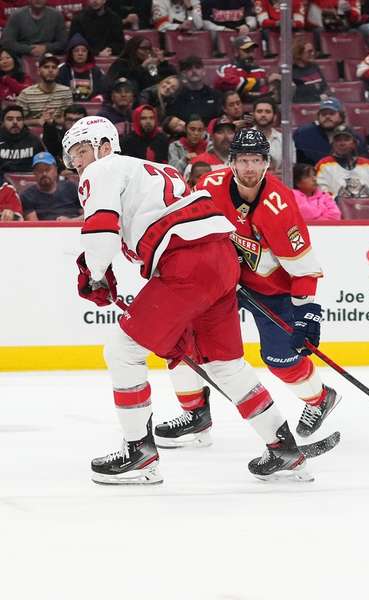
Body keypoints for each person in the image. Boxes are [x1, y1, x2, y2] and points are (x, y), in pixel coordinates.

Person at [65, 116, 315, 484]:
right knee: (224, 365)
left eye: (82, 152)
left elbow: (101, 232)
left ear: (104, 145)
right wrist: (103, 267)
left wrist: (96, 272)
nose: (79, 165)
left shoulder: (101, 170)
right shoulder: (157, 168)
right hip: (221, 258)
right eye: (74, 159)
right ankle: (285, 450)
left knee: (122, 351)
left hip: (187, 263)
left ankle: (139, 454)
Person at [154, 127, 341, 449]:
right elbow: (191, 228)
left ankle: (320, 398)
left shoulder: (280, 206)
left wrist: (307, 313)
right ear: (231, 162)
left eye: (256, 160)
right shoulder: (210, 186)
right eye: (243, 160)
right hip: (226, 283)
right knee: (182, 337)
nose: (249, 168)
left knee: (281, 359)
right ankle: (195, 412)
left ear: (267, 163)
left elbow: (303, 266)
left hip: (273, 291)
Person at [316, 125, 369, 200]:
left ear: (354, 143)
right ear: (332, 144)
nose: (342, 143)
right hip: (336, 208)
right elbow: (321, 192)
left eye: (346, 140)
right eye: (338, 140)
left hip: (368, 208)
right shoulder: (323, 165)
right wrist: (340, 200)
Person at [293, 97, 369, 167]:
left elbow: (365, 165)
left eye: (332, 113)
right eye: (323, 114)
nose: (327, 117)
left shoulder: (354, 137)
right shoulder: (303, 135)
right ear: (318, 116)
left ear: (341, 116)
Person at [20, 150, 82, 220]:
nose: (44, 174)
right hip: (45, 229)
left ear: (56, 170)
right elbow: (34, 225)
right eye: (39, 170)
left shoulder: (71, 187)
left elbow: (86, 215)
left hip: (74, 227)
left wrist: (70, 221)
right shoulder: (27, 195)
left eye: (47, 169)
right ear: (34, 173)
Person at [16, 53, 72, 127]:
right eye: (46, 67)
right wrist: (38, 121)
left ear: (58, 71)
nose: (50, 70)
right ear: (38, 71)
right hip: (32, 134)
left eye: (54, 67)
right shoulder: (26, 93)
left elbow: (70, 119)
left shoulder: (66, 92)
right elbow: (17, 120)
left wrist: (54, 120)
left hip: (58, 133)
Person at [215, 34, 277, 101]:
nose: (250, 54)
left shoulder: (259, 70)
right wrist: (263, 81)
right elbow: (234, 84)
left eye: (252, 50)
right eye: (247, 50)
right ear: (236, 51)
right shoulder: (225, 68)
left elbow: (264, 92)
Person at [107, 36, 175, 94]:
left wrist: (163, 63)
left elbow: (158, 80)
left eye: (149, 49)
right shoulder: (121, 63)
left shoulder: (150, 65)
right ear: (134, 48)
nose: (148, 52)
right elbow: (127, 82)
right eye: (144, 49)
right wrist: (142, 67)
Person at [0, 0, 67, 59]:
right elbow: (7, 42)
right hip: (21, 56)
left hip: (50, 56)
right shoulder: (16, 16)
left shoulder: (56, 15)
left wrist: (46, 48)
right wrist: (29, 49)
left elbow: (63, 42)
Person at [169, 56, 224, 124]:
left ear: (204, 72)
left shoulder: (216, 95)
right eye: (189, 69)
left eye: (197, 67)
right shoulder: (177, 98)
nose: (194, 71)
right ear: (184, 74)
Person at [57, 34, 108, 102]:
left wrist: (99, 97)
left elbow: (105, 91)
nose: (80, 53)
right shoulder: (62, 70)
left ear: (88, 53)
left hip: (92, 108)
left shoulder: (97, 71)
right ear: (71, 53)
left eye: (84, 50)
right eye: (76, 50)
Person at [0, 104, 45, 174]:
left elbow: (43, 163)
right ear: (3, 122)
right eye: (10, 119)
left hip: (29, 180)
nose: (15, 122)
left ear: (23, 122)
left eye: (19, 119)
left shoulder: (33, 140)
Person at [291, 39, 330, 104]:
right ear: (299, 54)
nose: (313, 53)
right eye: (309, 51)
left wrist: (326, 95)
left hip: (320, 105)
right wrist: (318, 98)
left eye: (313, 51)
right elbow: (296, 97)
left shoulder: (314, 67)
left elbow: (325, 87)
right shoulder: (291, 72)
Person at [251, 96, 282, 170]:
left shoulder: (284, 140)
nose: (263, 115)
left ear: (274, 116)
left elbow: (290, 167)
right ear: (253, 114)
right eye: (259, 111)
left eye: (267, 112)